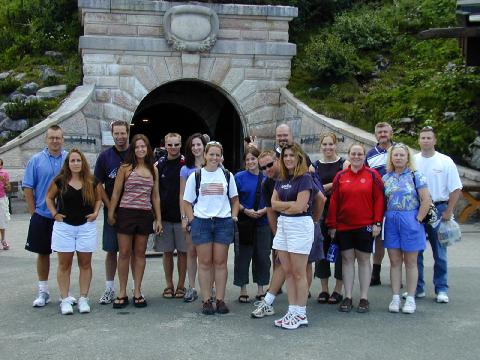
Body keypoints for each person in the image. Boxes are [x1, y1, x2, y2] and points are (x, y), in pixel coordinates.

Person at [251, 150, 325, 319]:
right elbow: (271, 209)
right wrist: (278, 234)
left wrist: (314, 221)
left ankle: (300, 309)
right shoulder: (268, 183)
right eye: (263, 167)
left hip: (305, 225)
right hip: (285, 227)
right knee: (286, 267)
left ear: (278, 161)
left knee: (302, 267)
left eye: (270, 164)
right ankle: (283, 305)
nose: (267, 169)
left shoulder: (304, 176)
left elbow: (321, 199)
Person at [183, 141, 239, 315]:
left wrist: (233, 217)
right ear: (205, 155)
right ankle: (206, 299)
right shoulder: (196, 176)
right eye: (211, 154)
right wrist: (192, 220)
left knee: (220, 262)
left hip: (223, 221)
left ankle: (221, 299)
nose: (214, 158)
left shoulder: (228, 175)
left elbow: (235, 199)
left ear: (221, 156)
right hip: (202, 222)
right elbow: (186, 202)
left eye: (217, 154)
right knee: (205, 263)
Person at [326, 144, 384, 313]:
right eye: (354, 153)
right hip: (344, 226)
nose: (357, 156)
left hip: (365, 226)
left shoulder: (373, 175)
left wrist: (377, 222)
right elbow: (334, 201)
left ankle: (364, 297)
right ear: (349, 155)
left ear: (364, 156)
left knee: (364, 260)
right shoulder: (341, 176)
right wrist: (332, 224)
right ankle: (348, 296)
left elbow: (379, 200)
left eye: (360, 154)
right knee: (347, 260)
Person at [108, 134, 162, 308]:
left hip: (145, 214)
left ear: (148, 149)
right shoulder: (125, 168)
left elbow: (155, 196)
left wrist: (158, 218)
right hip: (126, 213)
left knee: (140, 253)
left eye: (143, 147)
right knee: (124, 252)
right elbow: (116, 193)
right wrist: (111, 212)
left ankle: (137, 290)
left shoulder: (153, 169)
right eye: (137, 147)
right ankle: (122, 291)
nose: (140, 150)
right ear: (133, 149)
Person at [45, 149, 102, 314]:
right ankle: (65, 299)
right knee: (64, 264)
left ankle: (83, 298)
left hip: (86, 227)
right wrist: (54, 214)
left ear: (83, 162)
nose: (76, 163)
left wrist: (96, 212)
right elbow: (48, 198)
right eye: (72, 161)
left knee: (85, 263)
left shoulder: (92, 181)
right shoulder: (59, 181)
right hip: (64, 227)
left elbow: (98, 199)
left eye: (78, 160)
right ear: (67, 163)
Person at [413, 126, 462, 303]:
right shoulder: (413, 160)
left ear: (435, 140)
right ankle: (417, 288)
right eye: (423, 138)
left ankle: (441, 288)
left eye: (429, 138)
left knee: (439, 252)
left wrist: (449, 210)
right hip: (417, 210)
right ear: (418, 141)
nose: (425, 140)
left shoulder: (445, 161)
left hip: (439, 209)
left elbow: (456, 188)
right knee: (415, 252)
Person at [270, 143, 315, 330]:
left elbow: (300, 208)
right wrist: (291, 205)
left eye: (291, 155)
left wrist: (286, 205)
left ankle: (301, 313)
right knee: (287, 271)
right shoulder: (280, 178)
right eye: (285, 155)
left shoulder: (305, 178)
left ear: (299, 158)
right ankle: (292, 309)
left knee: (299, 272)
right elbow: (273, 204)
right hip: (284, 225)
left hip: (299, 226)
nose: (288, 158)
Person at [23, 125, 69, 307]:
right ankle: (43, 291)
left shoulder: (69, 159)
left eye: (58, 138)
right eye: (52, 138)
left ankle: (64, 292)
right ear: (46, 139)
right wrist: (33, 212)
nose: (55, 141)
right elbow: (28, 187)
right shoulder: (36, 160)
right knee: (43, 253)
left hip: (65, 215)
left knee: (64, 256)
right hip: (42, 214)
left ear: (63, 139)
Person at [382, 144, 430, 314]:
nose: (399, 158)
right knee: (394, 261)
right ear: (391, 158)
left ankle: (410, 297)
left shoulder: (417, 176)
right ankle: (395, 297)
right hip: (392, 220)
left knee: (411, 261)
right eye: (396, 155)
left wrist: (418, 220)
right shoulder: (386, 178)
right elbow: (382, 201)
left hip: (411, 219)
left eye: (402, 155)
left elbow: (426, 200)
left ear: (407, 157)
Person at [94, 120, 130, 305]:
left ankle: (133, 288)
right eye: (116, 133)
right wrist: (109, 207)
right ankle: (109, 287)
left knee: (130, 252)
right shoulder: (104, 157)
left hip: (132, 210)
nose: (120, 137)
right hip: (112, 210)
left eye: (123, 133)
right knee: (111, 250)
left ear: (128, 132)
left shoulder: (135, 154)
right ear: (112, 134)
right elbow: (98, 183)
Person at [311, 133, 348, 305]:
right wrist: (333, 185)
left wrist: (323, 188)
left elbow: (344, 185)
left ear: (336, 145)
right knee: (321, 250)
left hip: (340, 212)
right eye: (324, 144)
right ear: (321, 146)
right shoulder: (315, 166)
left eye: (330, 144)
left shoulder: (344, 164)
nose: (328, 147)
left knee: (341, 251)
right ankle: (324, 289)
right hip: (321, 212)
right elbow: (312, 188)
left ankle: (338, 289)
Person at [234, 146, 270, 303]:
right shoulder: (239, 177)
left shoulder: (266, 177)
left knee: (262, 256)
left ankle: (261, 288)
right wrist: (245, 210)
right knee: (243, 256)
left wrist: (264, 210)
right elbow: (233, 199)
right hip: (245, 222)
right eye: (247, 159)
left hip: (263, 222)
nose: (250, 162)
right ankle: (243, 289)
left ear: (258, 159)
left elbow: (273, 198)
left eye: (253, 159)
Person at [154, 133, 188, 299]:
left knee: (183, 252)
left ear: (181, 145)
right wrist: (157, 218)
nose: (173, 148)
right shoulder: (159, 165)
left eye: (176, 144)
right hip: (165, 217)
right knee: (166, 252)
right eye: (170, 145)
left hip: (182, 217)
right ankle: (169, 285)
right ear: (165, 145)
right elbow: (155, 194)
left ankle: (181, 285)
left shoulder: (186, 164)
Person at [366, 122, 394, 286]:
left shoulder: (399, 151)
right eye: (380, 132)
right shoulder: (370, 155)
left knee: (395, 240)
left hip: (397, 203)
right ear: (376, 135)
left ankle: (395, 273)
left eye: (385, 131)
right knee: (378, 239)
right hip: (377, 203)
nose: (383, 134)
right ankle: (375, 273)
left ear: (391, 133)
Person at [180, 133, 208, 302]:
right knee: (191, 252)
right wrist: (184, 216)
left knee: (208, 255)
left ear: (204, 146)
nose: (196, 148)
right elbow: (183, 195)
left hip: (209, 215)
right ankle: (191, 287)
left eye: (199, 144)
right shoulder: (185, 169)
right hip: (192, 215)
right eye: (193, 145)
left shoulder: (213, 164)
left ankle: (209, 286)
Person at [0, 159, 11, 250]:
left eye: (0, 165)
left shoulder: (4, 173)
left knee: (2, 220)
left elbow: (8, 188)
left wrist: (3, 181)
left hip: (1, 199)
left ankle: (3, 240)